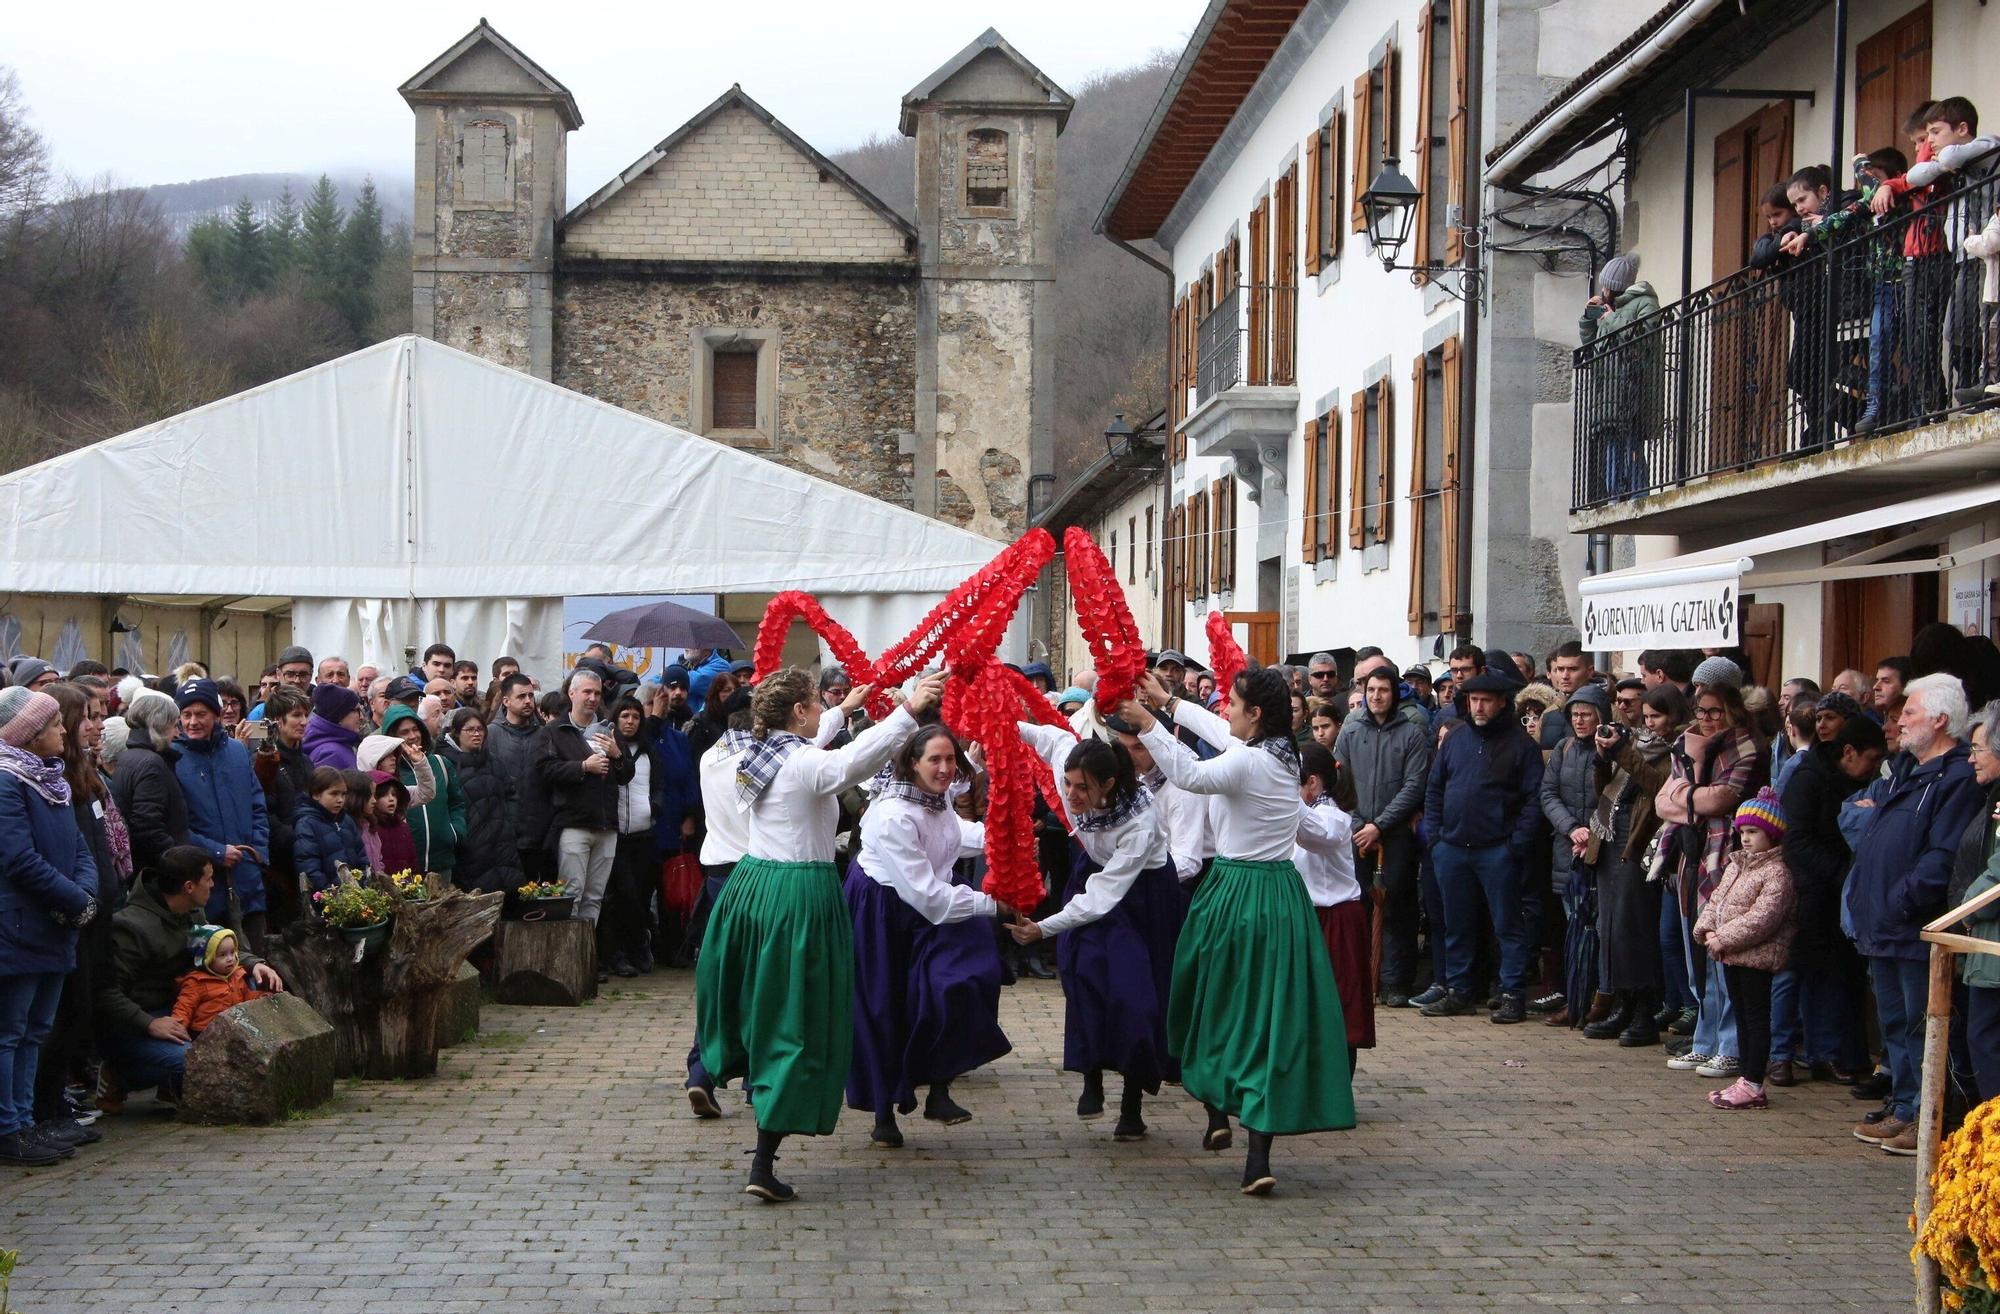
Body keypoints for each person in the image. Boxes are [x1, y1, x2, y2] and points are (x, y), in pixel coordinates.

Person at [696, 667, 938, 1203]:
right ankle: (763, 1158)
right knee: (797, 1018)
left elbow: (817, 741)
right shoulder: (802, 762)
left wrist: (844, 707)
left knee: (766, 1006)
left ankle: (731, 1079)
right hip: (797, 896)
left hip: (752, 887)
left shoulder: (759, 751)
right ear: (799, 711)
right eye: (813, 704)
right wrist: (909, 710)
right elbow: (850, 760)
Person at [1123, 666, 1354, 1196]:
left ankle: (1217, 1106)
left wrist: (1150, 723)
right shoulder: (1282, 752)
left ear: (1255, 714)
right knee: (1267, 1016)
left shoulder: (1249, 762)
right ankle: (1252, 1152)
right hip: (1282, 896)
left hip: (1235, 893)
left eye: (1233, 703)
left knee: (1213, 1003)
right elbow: (1218, 733)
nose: (1225, 708)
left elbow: (1191, 775)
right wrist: (1170, 703)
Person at [1012, 724, 1182, 1145]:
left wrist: (1043, 928)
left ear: (1108, 783)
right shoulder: (1069, 767)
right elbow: (1049, 737)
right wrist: (999, 724)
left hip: (1141, 897)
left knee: (1136, 997)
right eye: (1068, 784)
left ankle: (1132, 1102)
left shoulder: (1139, 824)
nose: (1070, 796)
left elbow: (1103, 899)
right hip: (1091, 875)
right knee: (1083, 977)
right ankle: (1091, 1073)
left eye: (1082, 789)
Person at [848, 723, 1010, 1147]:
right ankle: (884, 1112)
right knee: (885, 1005)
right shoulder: (893, 814)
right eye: (934, 760)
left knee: (963, 981)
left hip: (929, 900)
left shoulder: (935, 798)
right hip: (885, 909)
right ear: (912, 763)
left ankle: (939, 1086)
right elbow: (928, 897)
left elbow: (953, 836)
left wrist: (1003, 842)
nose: (944, 768)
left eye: (950, 759)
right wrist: (993, 903)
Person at [1847, 673, 1982, 1155]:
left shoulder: (1957, 777)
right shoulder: (1907, 769)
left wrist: (1902, 900)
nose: (1899, 720)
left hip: (1914, 925)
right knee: (1897, 1024)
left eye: (1910, 712)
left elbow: (1942, 855)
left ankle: (1930, 1115)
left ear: (1941, 720)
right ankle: (1905, 1106)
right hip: (1884, 924)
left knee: (1924, 1024)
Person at [96, 846, 283, 1113]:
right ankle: (120, 1074)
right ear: (188, 886)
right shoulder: (130, 927)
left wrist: (254, 964)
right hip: (138, 1020)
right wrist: (149, 1024)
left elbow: (214, 951)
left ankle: (173, 1083)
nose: (213, 884)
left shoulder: (192, 912)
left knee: (249, 985)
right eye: (208, 878)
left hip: (185, 1006)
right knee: (193, 1061)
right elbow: (106, 993)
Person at [0, 685, 100, 1166]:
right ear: (30, 733)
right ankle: (9, 1126)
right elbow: (17, 858)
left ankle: (26, 1121)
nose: (66, 729)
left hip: (56, 922)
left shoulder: (51, 778)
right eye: (56, 723)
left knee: (36, 1029)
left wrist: (83, 894)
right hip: (20, 924)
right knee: (11, 1030)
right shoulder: (6, 780)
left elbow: (79, 847)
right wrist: (72, 897)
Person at [1420, 669, 1544, 1023]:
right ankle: (1459, 990)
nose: (1478, 706)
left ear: (1502, 702)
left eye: (1486, 700)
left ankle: (1511, 993)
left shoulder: (1521, 745)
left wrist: (1514, 845)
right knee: (1455, 923)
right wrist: (1436, 837)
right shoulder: (1456, 740)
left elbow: (1533, 799)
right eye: (1474, 700)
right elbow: (1435, 789)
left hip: (1498, 851)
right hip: (1452, 848)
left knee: (1507, 925)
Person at [1655, 681, 1764, 1081]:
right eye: (1701, 711)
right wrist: (1693, 788)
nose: (1707, 719)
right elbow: (1662, 801)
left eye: (1716, 711)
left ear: (1734, 710)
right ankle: (1705, 1042)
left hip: (1729, 859)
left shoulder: (1747, 748)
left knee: (1721, 956)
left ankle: (1730, 1046)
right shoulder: (1690, 746)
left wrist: (1686, 796)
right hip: (1691, 855)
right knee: (1694, 956)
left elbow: (1721, 800)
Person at [1335, 666, 1430, 1008]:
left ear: (1394, 693)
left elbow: (1413, 786)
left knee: (1396, 908)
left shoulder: (1412, 733)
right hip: (1357, 833)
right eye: (1371, 690)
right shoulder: (1350, 730)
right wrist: (1361, 825)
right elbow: (1340, 782)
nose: (1376, 696)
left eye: (1384, 690)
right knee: (1358, 906)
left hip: (1396, 833)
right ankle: (1362, 978)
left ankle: (1393, 981)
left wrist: (1381, 825)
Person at [1695, 790, 1794, 1110]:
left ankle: (1753, 1081)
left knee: (1756, 1017)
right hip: (1730, 954)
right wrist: (1707, 929)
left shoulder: (1777, 872)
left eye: (1754, 832)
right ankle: (1747, 1077)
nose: (1746, 838)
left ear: (1772, 834)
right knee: (1740, 1015)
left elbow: (1762, 919)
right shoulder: (1737, 865)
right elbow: (1717, 900)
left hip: (1755, 957)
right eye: (1742, 832)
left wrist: (1723, 937)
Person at [1604, 684, 1689, 1047]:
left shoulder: (1681, 747)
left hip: (1649, 844)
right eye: (1648, 716)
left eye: (1657, 717)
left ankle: (1644, 1008)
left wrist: (1623, 753)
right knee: (1616, 928)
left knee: (1637, 929)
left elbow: (1659, 787)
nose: (1650, 724)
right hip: (1617, 834)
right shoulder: (1639, 742)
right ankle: (1623, 1002)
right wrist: (1602, 757)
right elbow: (1605, 791)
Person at [172, 679, 270, 952]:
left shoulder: (237, 752)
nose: (193, 722)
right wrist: (215, 852)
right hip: (203, 884)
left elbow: (257, 805)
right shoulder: (172, 759)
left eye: (201, 714)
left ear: (215, 715)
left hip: (247, 878)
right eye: (186, 714)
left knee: (256, 958)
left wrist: (257, 853)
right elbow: (177, 825)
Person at [535, 668, 634, 933]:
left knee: (595, 897)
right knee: (571, 895)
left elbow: (626, 775)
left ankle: (585, 959)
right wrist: (582, 767)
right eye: (587, 692)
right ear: (572, 693)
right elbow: (544, 770)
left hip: (606, 826)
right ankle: (566, 962)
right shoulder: (555, 731)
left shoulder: (608, 729)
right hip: (573, 824)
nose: (592, 698)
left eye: (597, 693)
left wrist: (617, 755)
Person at [1294, 743, 1371, 1076]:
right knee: (1304, 1003)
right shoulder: (1302, 812)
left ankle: (1339, 1083)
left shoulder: (1334, 817)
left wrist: (1278, 798)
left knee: (1341, 1003)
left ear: (1312, 783)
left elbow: (1316, 835)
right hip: (1306, 917)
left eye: (1289, 781)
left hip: (1336, 917)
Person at [1541, 685, 1613, 1030]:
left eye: (1587, 714)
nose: (1580, 720)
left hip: (1604, 850)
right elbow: (1548, 793)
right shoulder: (1564, 748)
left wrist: (1594, 833)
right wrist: (1571, 828)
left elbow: (1613, 798)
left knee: (1603, 930)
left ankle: (1602, 1000)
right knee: (1575, 931)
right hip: (1567, 850)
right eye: (1575, 714)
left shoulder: (1612, 749)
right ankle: (1576, 999)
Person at [1578, 253, 1661, 499]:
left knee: (1631, 447)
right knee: (1612, 449)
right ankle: (1615, 497)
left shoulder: (1645, 303)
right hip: (1609, 392)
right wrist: (1588, 319)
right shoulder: (1610, 309)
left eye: (1607, 285)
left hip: (1632, 390)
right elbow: (1591, 346)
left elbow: (1644, 335)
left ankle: (1637, 495)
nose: (1603, 289)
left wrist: (1611, 318)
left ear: (1615, 286)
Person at [437, 709, 519, 895]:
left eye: (480, 729)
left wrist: (510, 826)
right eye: (470, 729)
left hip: (502, 843)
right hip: (468, 847)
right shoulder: (446, 764)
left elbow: (511, 795)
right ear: (457, 732)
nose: (476, 734)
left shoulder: (494, 762)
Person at [381, 704, 466, 883]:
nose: (413, 736)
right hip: (406, 863)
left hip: (441, 860)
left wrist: (454, 832)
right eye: (404, 732)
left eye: (415, 729)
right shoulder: (388, 773)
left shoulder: (440, 763)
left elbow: (456, 802)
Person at [109, 692, 189, 871]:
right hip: (158, 869)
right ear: (159, 725)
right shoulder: (151, 763)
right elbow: (147, 825)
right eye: (174, 725)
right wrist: (179, 862)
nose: (177, 733)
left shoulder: (128, 756)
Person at [169, 926, 264, 1037]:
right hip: (205, 1033)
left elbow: (246, 995)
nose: (230, 958)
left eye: (232, 952)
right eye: (222, 955)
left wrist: (262, 997)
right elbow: (184, 1008)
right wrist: (178, 1027)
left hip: (233, 1026)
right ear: (207, 958)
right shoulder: (196, 982)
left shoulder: (236, 974)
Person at [293, 767, 366, 893]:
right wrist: (331, 894)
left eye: (343, 794)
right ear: (316, 794)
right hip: (330, 901)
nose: (340, 800)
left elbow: (362, 856)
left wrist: (364, 883)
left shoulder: (346, 820)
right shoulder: (307, 824)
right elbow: (309, 867)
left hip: (357, 896)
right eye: (334, 794)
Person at [304, 684, 365, 771]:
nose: (361, 716)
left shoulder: (339, 745)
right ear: (339, 715)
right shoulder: (330, 754)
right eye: (357, 710)